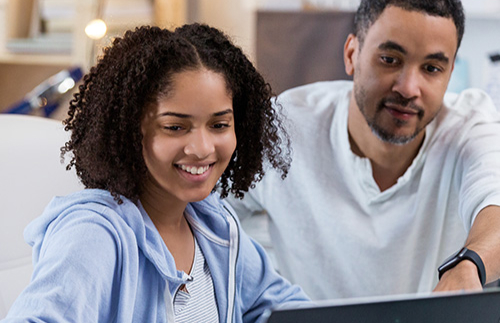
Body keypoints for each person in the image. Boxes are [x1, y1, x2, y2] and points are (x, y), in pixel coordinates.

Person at [2, 24, 309, 322]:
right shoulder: (94, 233)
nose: (202, 148)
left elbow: (287, 308)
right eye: (175, 127)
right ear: (131, 131)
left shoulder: (213, 223)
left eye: (219, 125)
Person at [228, 0, 500, 300]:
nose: (409, 88)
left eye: (432, 68)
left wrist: (468, 266)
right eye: (390, 59)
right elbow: (204, 211)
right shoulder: (285, 127)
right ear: (351, 54)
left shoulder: (469, 128)